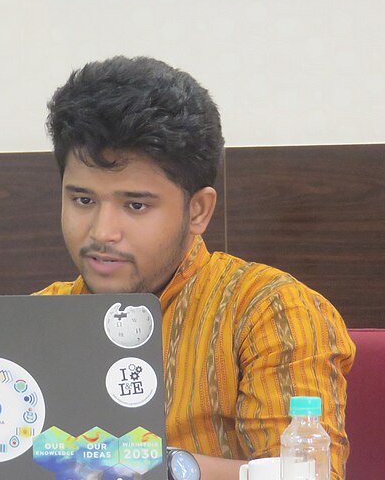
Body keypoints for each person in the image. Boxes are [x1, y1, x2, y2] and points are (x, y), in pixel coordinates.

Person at [35, 56, 354, 480]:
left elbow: (305, 475)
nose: (102, 231)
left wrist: (154, 466)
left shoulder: (270, 310)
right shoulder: (38, 316)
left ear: (198, 210)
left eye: (135, 205)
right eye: (83, 200)